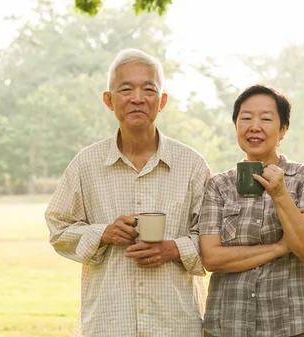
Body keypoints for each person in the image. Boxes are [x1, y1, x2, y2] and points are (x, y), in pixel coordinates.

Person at [45, 48, 210, 337]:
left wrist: (172, 249)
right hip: (109, 324)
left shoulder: (192, 165)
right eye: (126, 89)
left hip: (176, 324)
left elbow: (215, 240)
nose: (137, 98)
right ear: (109, 100)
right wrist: (103, 233)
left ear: (162, 101)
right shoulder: (86, 164)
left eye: (149, 89)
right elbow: (58, 229)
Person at [198, 84, 304, 337]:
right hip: (226, 326)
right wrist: (280, 247)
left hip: (290, 327)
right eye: (246, 118)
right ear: (236, 127)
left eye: (266, 119)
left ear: (283, 130)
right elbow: (211, 258)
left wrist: (281, 195)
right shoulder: (219, 185)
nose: (254, 126)